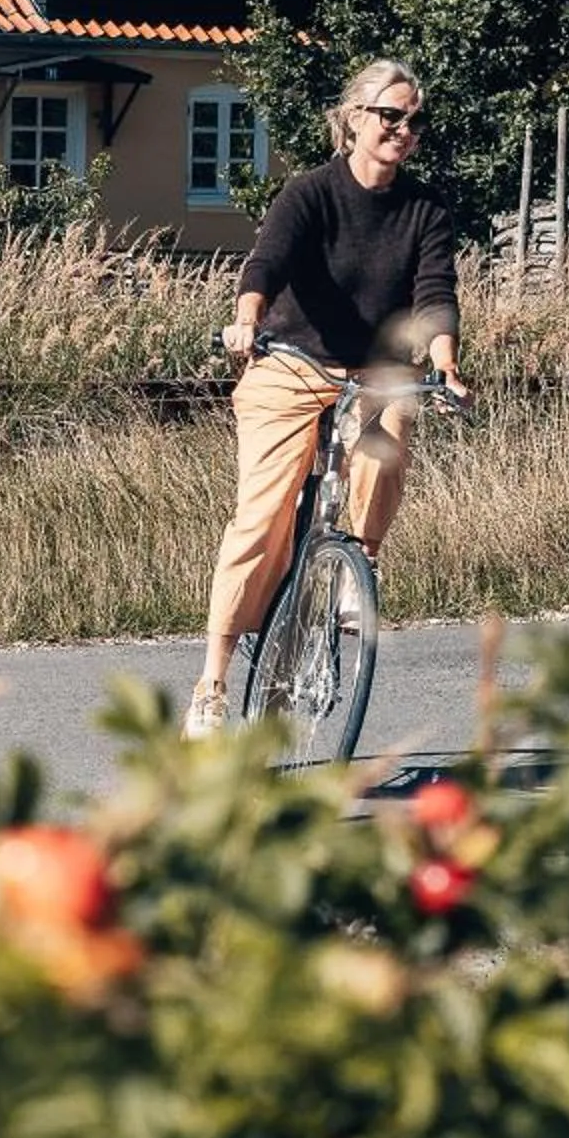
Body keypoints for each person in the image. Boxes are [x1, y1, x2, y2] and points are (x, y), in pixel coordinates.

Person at [187, 60, 469, 738]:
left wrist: (447, 365)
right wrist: (247, 318)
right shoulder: (310, 193)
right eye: (390, 116)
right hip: (290, 361)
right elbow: (268, 262)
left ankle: (354, 565)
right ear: (353, 119)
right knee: (261, 519)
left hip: (372, 368)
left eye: (415, 121)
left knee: (392, 421)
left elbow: (434, 293)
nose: (404, 130)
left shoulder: (424, 209)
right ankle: (213, 682)